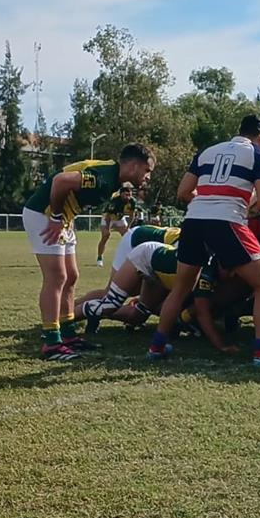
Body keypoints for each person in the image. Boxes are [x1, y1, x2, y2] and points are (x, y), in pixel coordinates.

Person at [147, 115, 260, 367]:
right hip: (227, 221)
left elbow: (183, 192)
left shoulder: (208, 151)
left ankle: (156, 346)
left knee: (180, 288)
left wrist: (208, 201)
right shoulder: (257, 154)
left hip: (193, 221)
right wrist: (242, 206)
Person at [23, 144, 155, 360]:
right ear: (133, 166)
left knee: (71, 276)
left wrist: (63, 217)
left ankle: (67, 335)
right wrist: (56, 217)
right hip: (44, 214)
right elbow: (61, 181)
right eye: (147, 170)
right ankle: (52, 343)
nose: (148, 177)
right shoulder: (104, 178)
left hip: (62, 217)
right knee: (57, 277)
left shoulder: (113, 178)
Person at [96, 184, 142, 266]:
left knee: (128, 236)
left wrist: (128, 227)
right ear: (121, 194)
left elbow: (132, 215)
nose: (128, 197)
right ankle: (100, 257)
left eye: (130, 195)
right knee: (105, 236)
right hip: (108, 217)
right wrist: (107, 229)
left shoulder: (132, 201)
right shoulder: (114, 201)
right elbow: (108, 216)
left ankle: (131, 256)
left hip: (120, 218)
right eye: (126, 195)